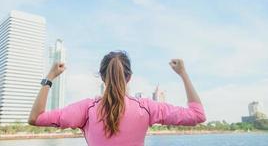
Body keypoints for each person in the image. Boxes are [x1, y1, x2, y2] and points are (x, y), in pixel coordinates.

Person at [28, 51, 206, 146]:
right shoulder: (146, 108)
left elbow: (35, 118)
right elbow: (197, 115)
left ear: (102, 77)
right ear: (129, 77)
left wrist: (50, 76)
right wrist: (183, 73)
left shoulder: (86, 109)